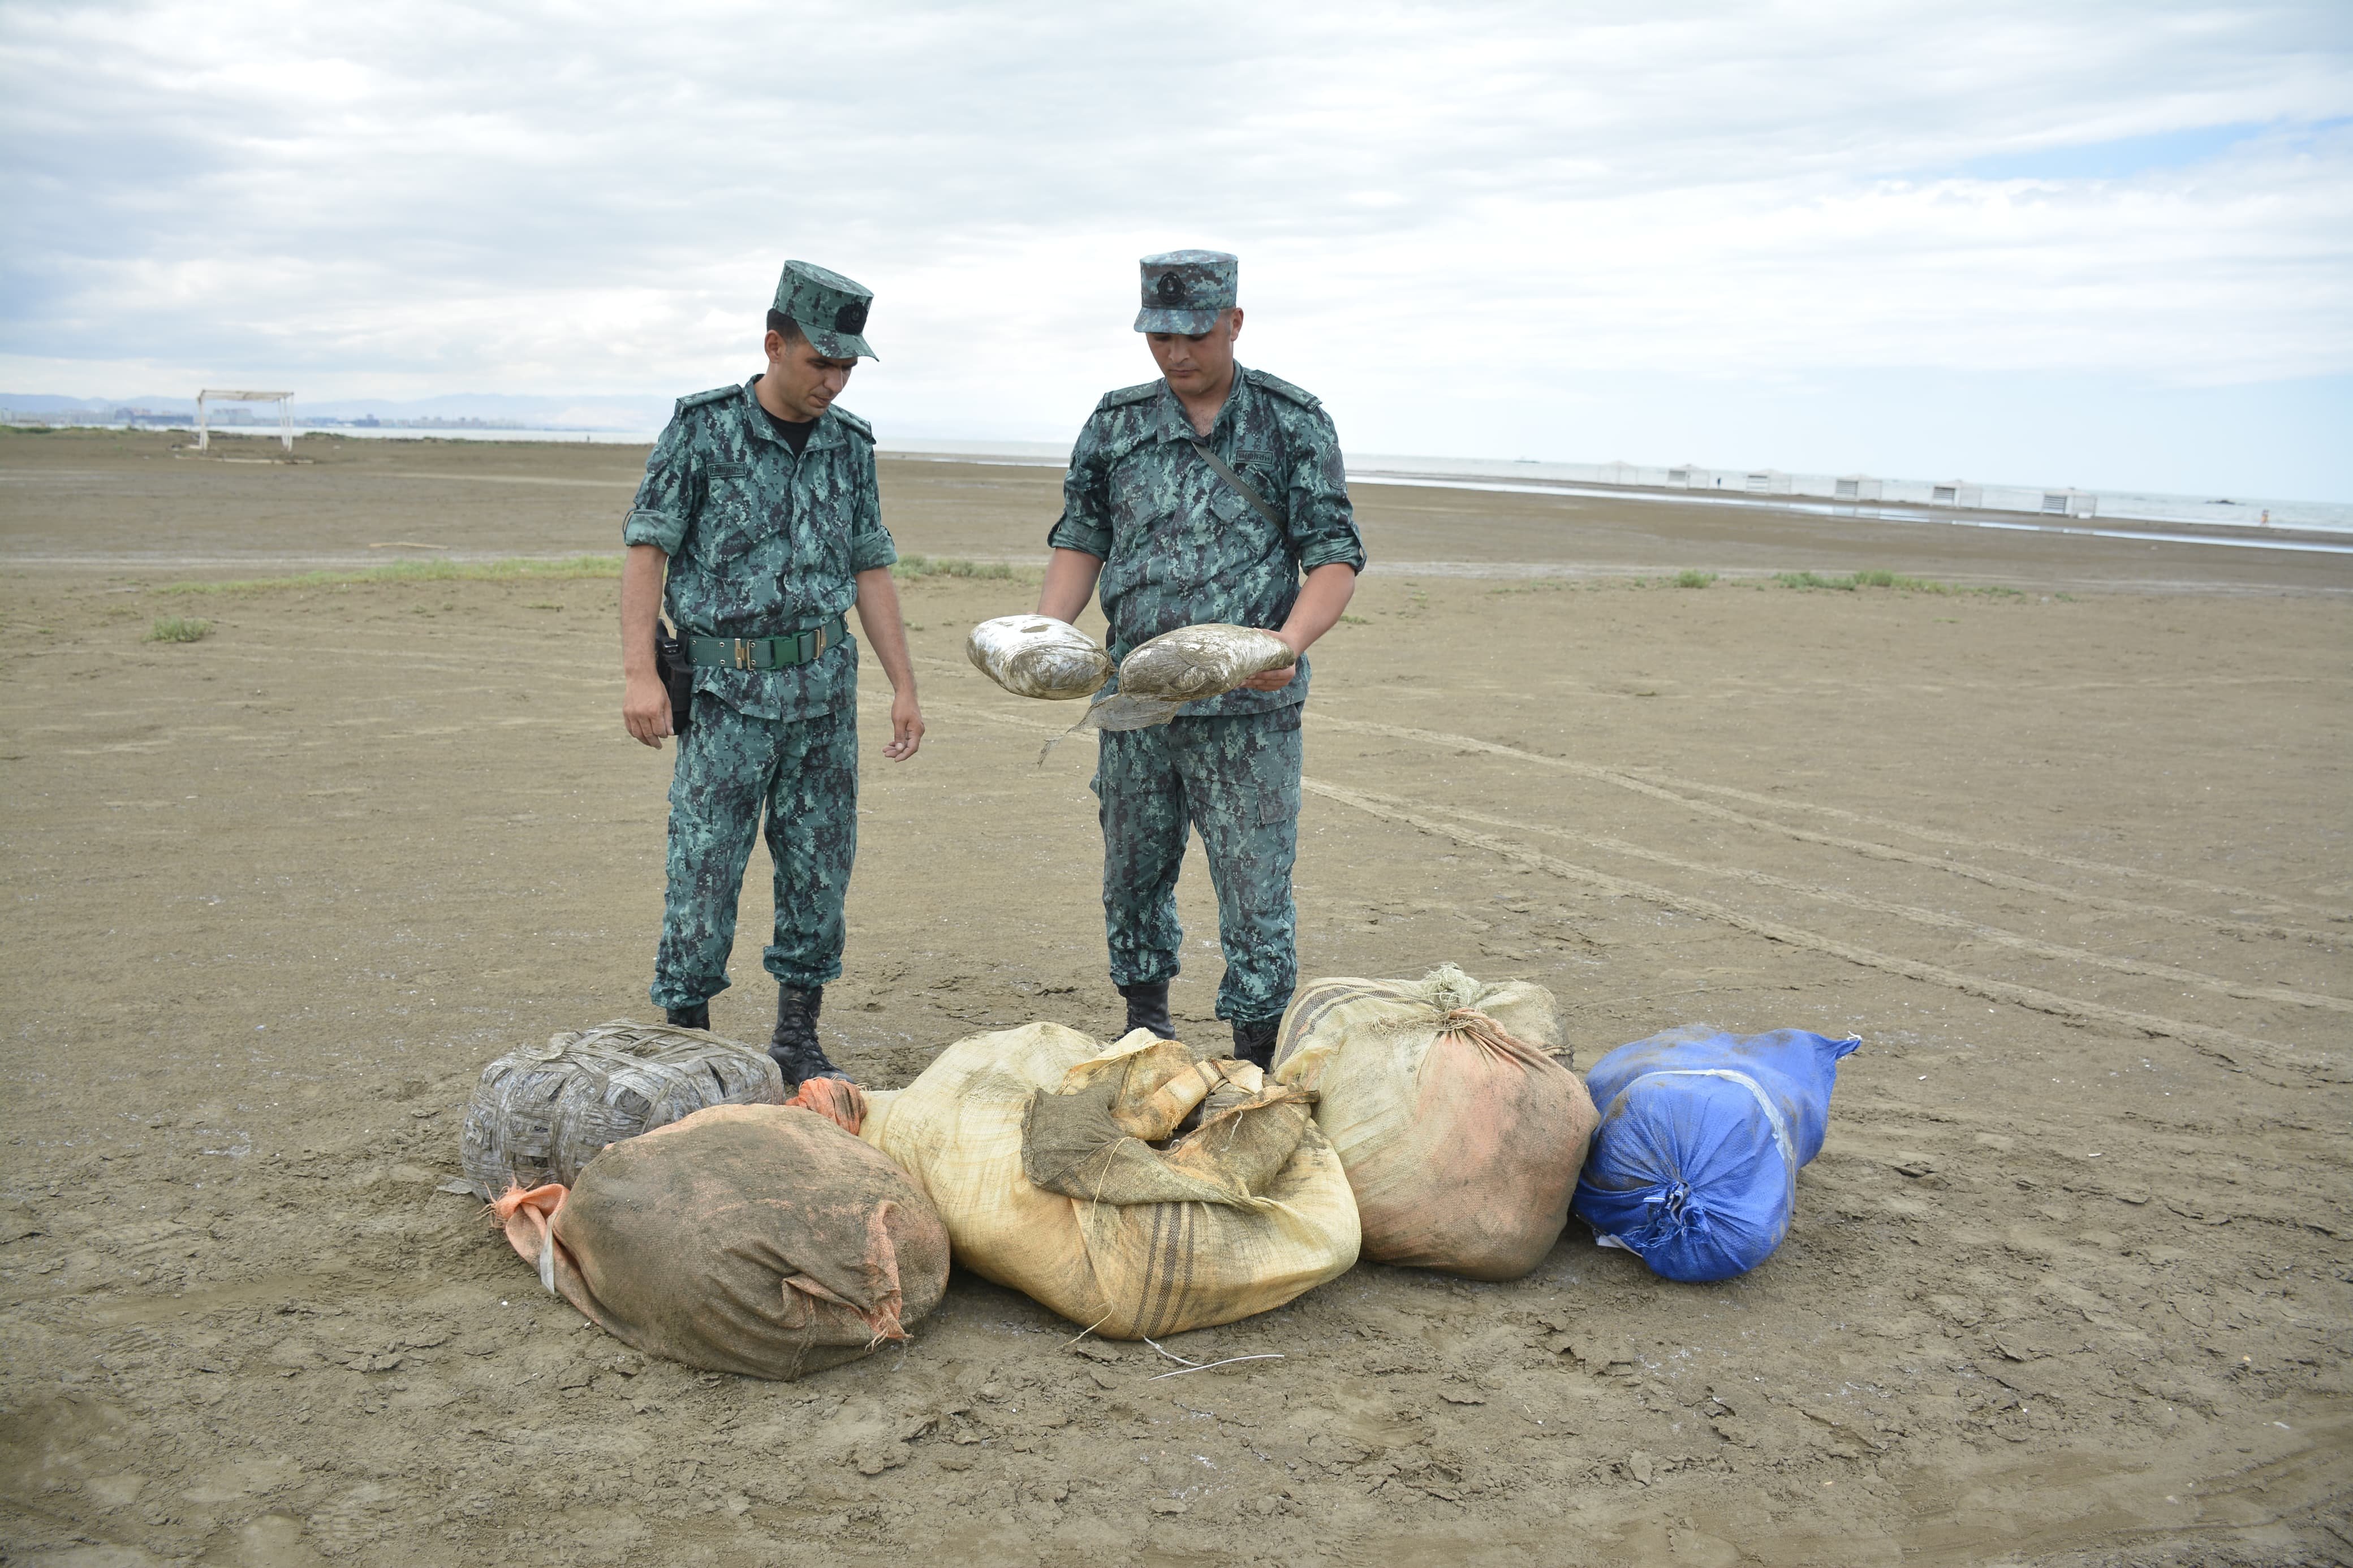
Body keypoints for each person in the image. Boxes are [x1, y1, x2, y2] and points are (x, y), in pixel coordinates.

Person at [1035, 249, 1365, 1068]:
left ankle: (1256, 1052)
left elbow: (1334, 556)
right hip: (1138, 702)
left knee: (1255, 891)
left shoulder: (1292, 422)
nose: (1176, 354)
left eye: (1193, 335)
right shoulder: (1115, 425)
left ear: (1233, 324)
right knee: (1134, 874)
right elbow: (1082, 539)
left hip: (1251, 709)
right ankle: (1145, 1022)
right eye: (1159, 336)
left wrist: (1290, 642)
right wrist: (1044, 631)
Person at [618, 260, 923, 1086]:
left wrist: (903, 683)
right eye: (820, 361)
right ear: (774, 345)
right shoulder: (702, 430)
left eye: (846, 364)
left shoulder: (850, 446)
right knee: (705, 871)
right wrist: (641, 674)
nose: (834, 379)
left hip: (823, 695)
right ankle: (692, 1042)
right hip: (725, 697)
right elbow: (648, 550)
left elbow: (870, 566)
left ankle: (797, 1035)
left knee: (820, 868)